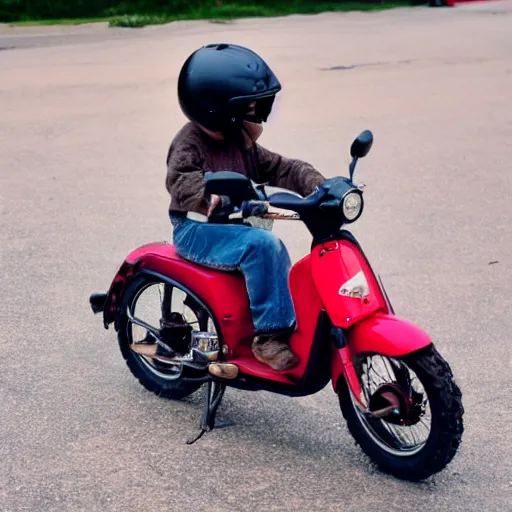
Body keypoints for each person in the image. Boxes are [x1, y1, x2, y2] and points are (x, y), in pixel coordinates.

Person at [166, 43, 325, 371]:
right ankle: (268, 337)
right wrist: (215, 197)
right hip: (196, 229)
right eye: (248, 107)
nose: (255, 112)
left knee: (275, 246)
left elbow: (280, 167)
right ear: (216, 107)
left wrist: (320, 186)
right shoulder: (188, 145)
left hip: (233, 224)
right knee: (264, 246)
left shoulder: (239, 138)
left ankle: (284, 317)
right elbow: (182, 182)